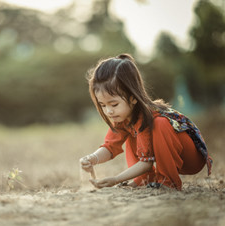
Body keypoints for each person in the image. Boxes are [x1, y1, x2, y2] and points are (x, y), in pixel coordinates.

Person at [80, 53, 212, 190]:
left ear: (133, 98)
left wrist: (115, 179)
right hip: (169, 157)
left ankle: (169, 182)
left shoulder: (147, 117)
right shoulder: (121, 118)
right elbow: (109, 147)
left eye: (114, 105)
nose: (109, 111)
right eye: (102, 105)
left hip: (190, 158)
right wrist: (92, 158)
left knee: (160, 124)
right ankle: (145, 179)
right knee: (132, 135)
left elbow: (145, 163)